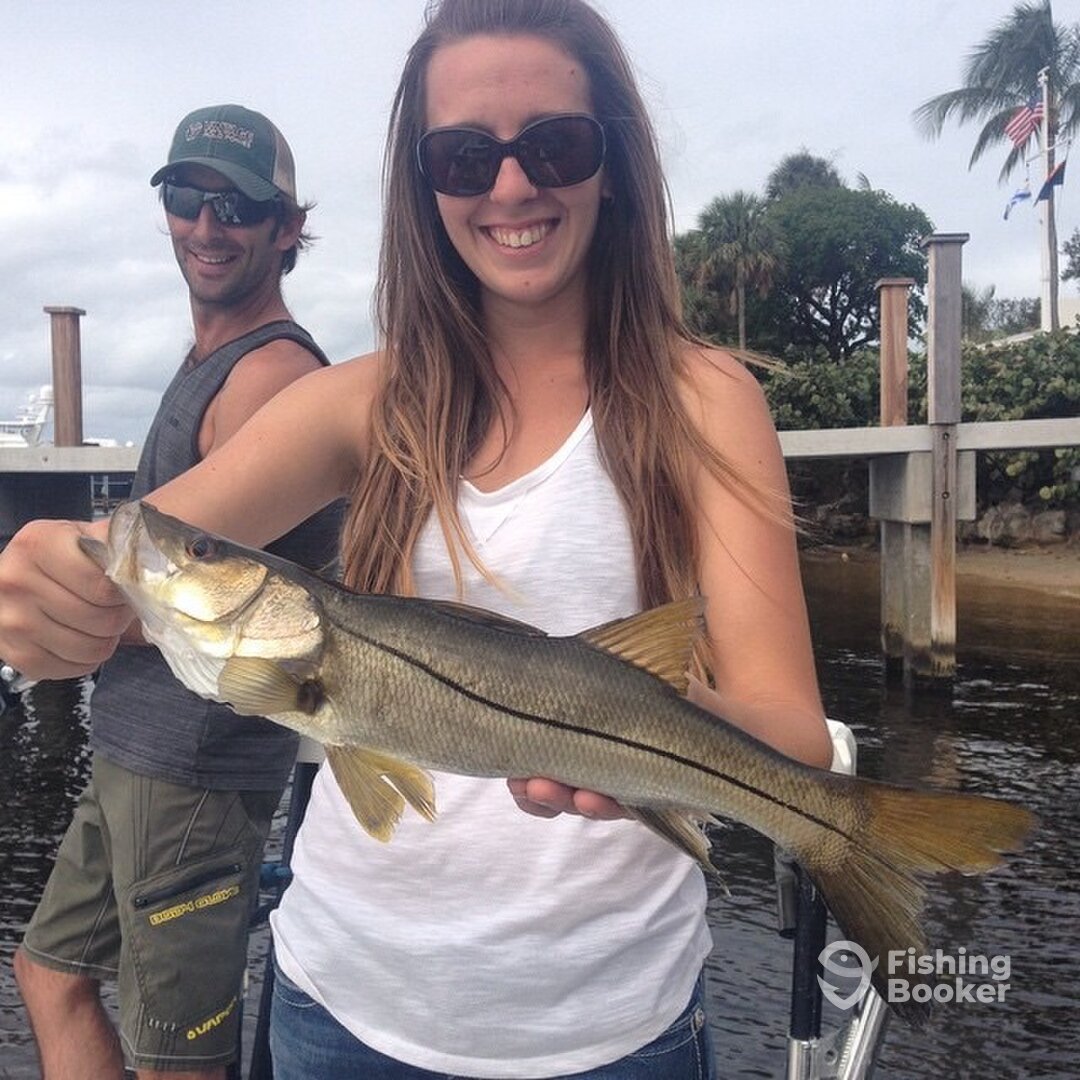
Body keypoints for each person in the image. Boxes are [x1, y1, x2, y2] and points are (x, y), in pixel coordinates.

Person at [0, 4, 834, 1077]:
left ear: (615, 164)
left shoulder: (706, 399)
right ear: (423, 184)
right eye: (464, 157)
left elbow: (795, 737)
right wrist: (52, 576)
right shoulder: (359, 401)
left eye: (556, 146)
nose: (511, 186)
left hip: (614, 1028)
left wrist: (639, 730)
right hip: (340, 1008)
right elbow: (148, 550)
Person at [10, 104, 343, 1080]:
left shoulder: (269, 376)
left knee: (175, 1062)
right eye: (188, 197)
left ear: (287, 228)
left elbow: (211, 604)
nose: (207, 224)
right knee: (48, 973)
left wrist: (66, 610)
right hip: (134, 749)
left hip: (196, 773)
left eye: (236, 206)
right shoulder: (212, 356)